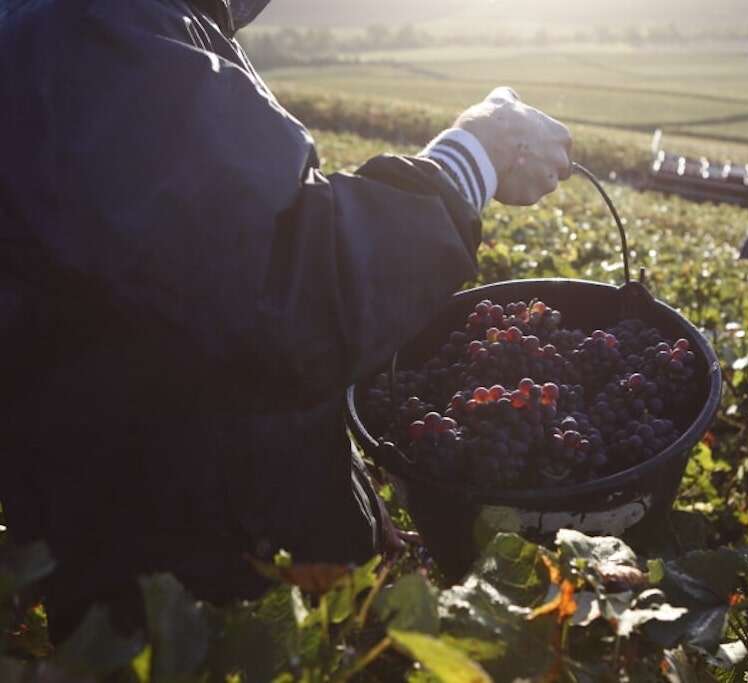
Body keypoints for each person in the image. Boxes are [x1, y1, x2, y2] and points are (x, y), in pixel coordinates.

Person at [0, 0, 572, 638]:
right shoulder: (87, 31)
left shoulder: (149, 26)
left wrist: (349, 496)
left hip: (223, 543)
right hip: (195, 597)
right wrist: (474, 157)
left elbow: (201, 324)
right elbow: (285, 283)